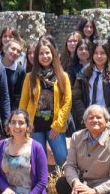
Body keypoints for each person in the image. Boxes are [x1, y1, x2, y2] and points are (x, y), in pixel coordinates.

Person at [19, 40, 72, 170]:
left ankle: (66, 187)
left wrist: (58, 125)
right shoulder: (30, 77)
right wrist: (24, 124)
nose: (45, 56)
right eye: (41, 53)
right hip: (34, 127)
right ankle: (43, 188)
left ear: (53, 54)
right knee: (38, 162)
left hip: (55, 127)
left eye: (48, 53)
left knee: (63, 159)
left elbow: (67, 101)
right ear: (37, 57)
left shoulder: (62, 76)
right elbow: (23, 102)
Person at [73, 41, 110, 137]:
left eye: (102, 53)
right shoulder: (84, 73)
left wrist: (105, 119)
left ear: (108, 54)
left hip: (109, 122)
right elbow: (77, 96)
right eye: (96, 53)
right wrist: (85, 117)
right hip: (87, 120)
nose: (99, 56)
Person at [0, 38, 27, 108]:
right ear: (5, 49)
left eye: (18, 51)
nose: (15, 52)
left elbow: (19, 94)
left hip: (11, 109)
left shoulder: (20, 70)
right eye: (13, 49)